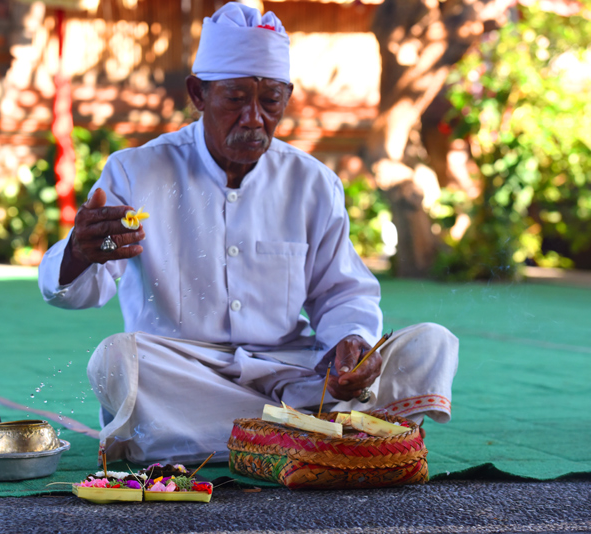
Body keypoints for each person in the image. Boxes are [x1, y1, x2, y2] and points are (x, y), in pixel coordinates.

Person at [38, 2, 458, 464]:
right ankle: (326, 435)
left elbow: (341, 292)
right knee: (117, 359)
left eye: (270, 101)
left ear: (287, 99)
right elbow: (79, 291)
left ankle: (240, 438)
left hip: (295, 372)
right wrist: (79, 253)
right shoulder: (137, 171)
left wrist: (350, 343)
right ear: (198, 94)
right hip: (186, 372)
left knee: (431, 342)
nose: (255, 118)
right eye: (236, 99)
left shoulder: (313, 183)